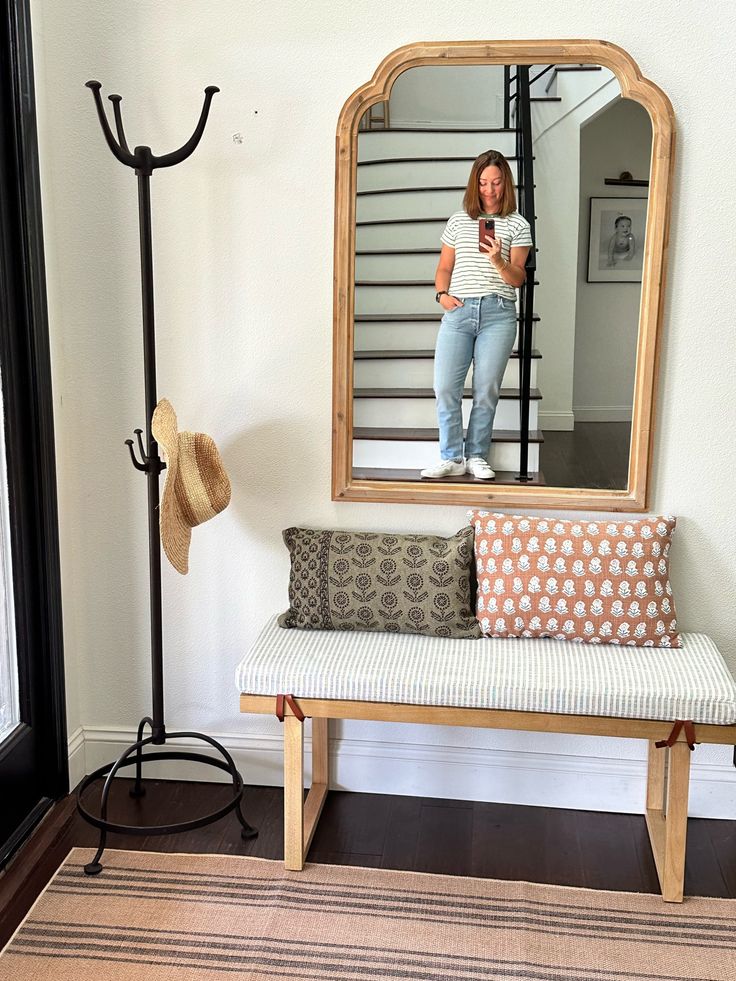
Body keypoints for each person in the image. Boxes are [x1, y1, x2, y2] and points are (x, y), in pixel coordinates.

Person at [421, 150, 533, 480]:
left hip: (498, 313)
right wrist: (442, 295)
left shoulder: (518, 224)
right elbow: (444, 267)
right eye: (483, 182)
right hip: (459, 311)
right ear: (475, 183)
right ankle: (452, 456)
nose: (489, 189)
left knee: (486, 390)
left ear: (506, 183)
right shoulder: (459, 221)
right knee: (445, 387)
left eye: (496, 182)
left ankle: (477, 455)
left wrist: (499, 259)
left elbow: (518, 279)